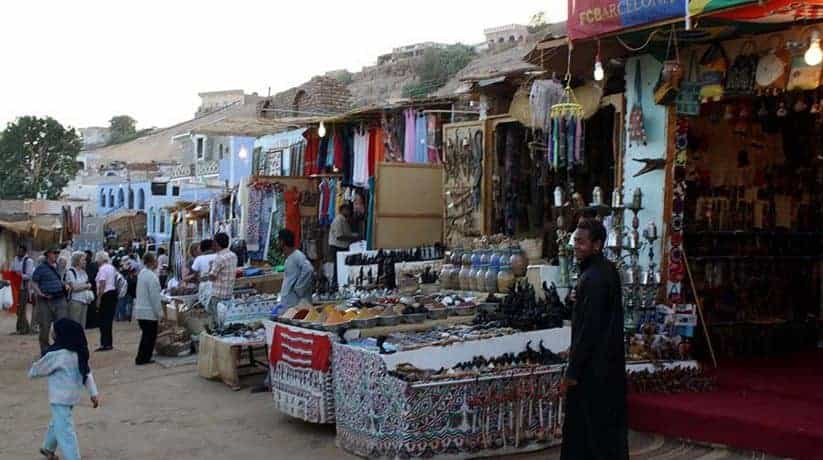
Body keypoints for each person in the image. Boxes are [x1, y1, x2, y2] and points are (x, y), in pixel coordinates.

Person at [560, 218, 628, 460]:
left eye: (581, 241)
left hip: (593, 369)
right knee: (605, 433)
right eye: (574, 240)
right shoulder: (605, 271)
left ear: (597, 245)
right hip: (606, 364)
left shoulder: (593, 279)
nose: (575, 246)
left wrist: (573, 372)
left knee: (588, 434)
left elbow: (588, 330)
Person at [29, 318, 100, 460]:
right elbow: (87, 373)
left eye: (54, 331)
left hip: (59, 398)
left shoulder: (56, 354)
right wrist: (94, 393)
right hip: (70, 397)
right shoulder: (79, 352)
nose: (52, 333)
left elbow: (38, 369)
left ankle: (51, 449)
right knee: (63, 426)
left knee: (63, 428)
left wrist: (32, 371)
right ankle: (57, 451)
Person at [31, 246, 70, 355]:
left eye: (58, 253)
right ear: (48, 254)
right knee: (45, 326)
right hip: (45, 300)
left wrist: (65, 285)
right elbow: (33, 282)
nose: (57, 254)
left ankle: (59, 347)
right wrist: (40, 293)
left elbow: (60, 280)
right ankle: (45, 350)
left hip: (60, 298)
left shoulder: (59, 267)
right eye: (54, 252)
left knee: (61, 325)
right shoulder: (41, 268)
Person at [134, 252, 165, 365]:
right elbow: (154, 297)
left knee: (146, 336)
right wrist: (160, 313)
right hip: (148, 312)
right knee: (149, 336)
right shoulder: (152, 277)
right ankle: (144, 358)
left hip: (140, 310)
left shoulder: (142, 273)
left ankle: (142, 357)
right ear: (152, 262)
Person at [202, 233, 238, 317]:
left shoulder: (219, 258)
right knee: (225, 317)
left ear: (216, 244)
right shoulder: (233, 255)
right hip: (229, 292)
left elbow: (212, 277)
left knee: (216, 317)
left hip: (218, 294)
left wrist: (210, 268)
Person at [277, 229, 314, 308]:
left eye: (278, 241)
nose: (277, 243)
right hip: (290, 303)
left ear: (282, 242)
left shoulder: (297, 256)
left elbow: (309, 269)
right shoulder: (289, 258)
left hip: (298, 303)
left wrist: (299, 288)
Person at [328, 202, 360, 286]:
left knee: (340, 267)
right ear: (342, 210)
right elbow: (339, 236)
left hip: (341, 246)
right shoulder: (339, 220)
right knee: (338, 267)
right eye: (347, 210)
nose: (349, 212)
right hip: (337, 247)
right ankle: (335, 285)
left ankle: (338, 284)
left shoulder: (343, 220)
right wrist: (353, 238)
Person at [94, 251, 118, 352]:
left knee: (103, 320)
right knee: (108, 320)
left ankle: (105, 343)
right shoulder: (111, 267)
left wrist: (99, 299)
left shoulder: (103, 269)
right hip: (112, 294)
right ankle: (108, 343)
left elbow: (102, 283)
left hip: (105, 295)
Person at [64, 252, 94, 328]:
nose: (85, 261)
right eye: (83, 260)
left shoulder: (84, 272)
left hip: (85, 301)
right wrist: (86, 286)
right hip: (75, 301)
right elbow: (74, 288)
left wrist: (82, 286)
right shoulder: (70, 272)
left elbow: (80, 286)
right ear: (77, 261)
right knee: (74, 325)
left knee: (82, 326)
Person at [11, 244, 34, 334]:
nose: (18, 252)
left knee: (22, 308)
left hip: (24, 288)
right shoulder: (15, 259)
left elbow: (29, 275)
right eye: (18, 250)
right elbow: (12, 270)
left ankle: (21, 329)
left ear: (24, 252)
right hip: (16, 287)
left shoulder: (29, 261)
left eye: (20, 251)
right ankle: (24, 328)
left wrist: (19, 275)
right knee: (18, 309)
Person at [83, 250, 99, 330]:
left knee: (92, 307)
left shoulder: (93, 266)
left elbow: (94, 277)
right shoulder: (84, 266)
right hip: (86, 289)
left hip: (92, 289)